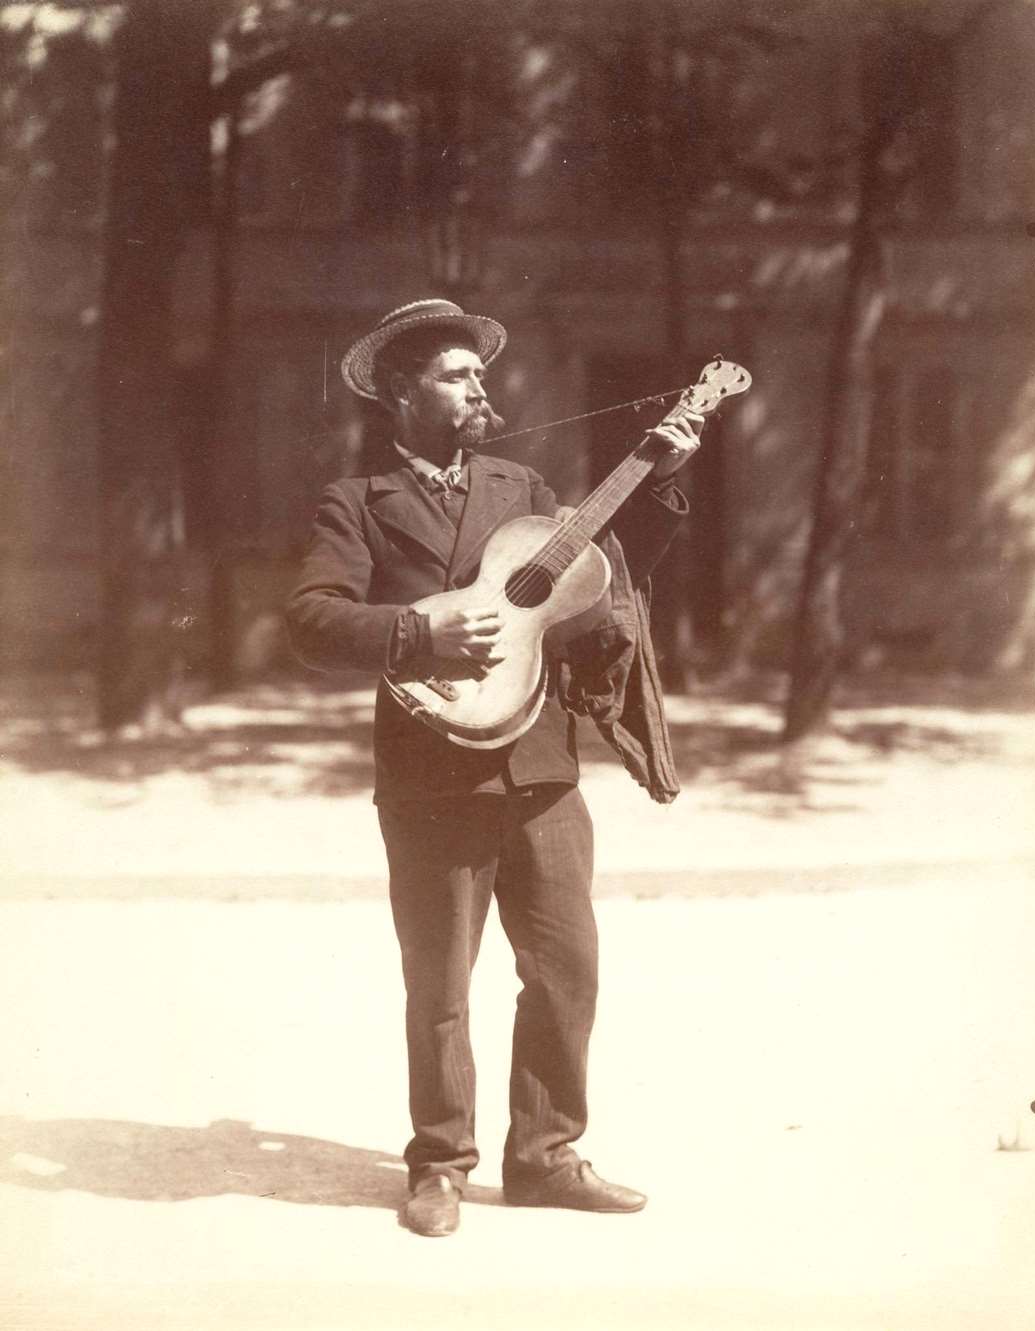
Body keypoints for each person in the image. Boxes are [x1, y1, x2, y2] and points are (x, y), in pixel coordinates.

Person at [286, 298, 704, 1237]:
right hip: (431, 770)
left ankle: (546, 1156)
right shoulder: (356, 500)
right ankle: (439, 1165)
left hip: (542, 764)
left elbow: (600, 590)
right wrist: (416, 628)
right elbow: (310, 619)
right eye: (456, 373)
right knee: (439, 981)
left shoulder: (525, 487)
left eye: (481, 373)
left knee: (567, 967)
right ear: (401, 390)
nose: (480, 386)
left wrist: (660, 485)